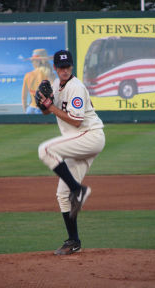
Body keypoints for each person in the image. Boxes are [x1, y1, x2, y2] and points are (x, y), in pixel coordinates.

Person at [38, 50, 105, 255]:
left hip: (89, 136)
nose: (64, 70)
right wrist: (43, 105)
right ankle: (74, 241)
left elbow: (75, 121)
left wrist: (51, 107)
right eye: (61, 67)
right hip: (80, 141)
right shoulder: (56, 86)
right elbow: (46, 109)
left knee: (45, 149)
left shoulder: (76, 87)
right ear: (56, 68)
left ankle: (79, 189)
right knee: (62, 194)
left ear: (72, 67)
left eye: (67, 67)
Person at [22, 49, 56, 114]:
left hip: (30, 109)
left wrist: (25, 110)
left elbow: (24, 97)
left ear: (37, 62)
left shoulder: (27, 75)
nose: (32, 63)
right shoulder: (50, 75)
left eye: (33, 61)